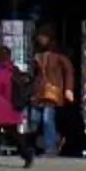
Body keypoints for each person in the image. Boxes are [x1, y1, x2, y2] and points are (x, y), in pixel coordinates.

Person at [30, 28, 76, 159]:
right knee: (35, 119)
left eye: (43, 37)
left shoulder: (58, 56)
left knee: (47, 119)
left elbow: (69, 70)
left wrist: (68, 88)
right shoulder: (37, 54)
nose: (41, 40)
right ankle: (55, 138)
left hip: (52, 91)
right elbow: (35, 74)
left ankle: (50, 146)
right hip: (39, 91)